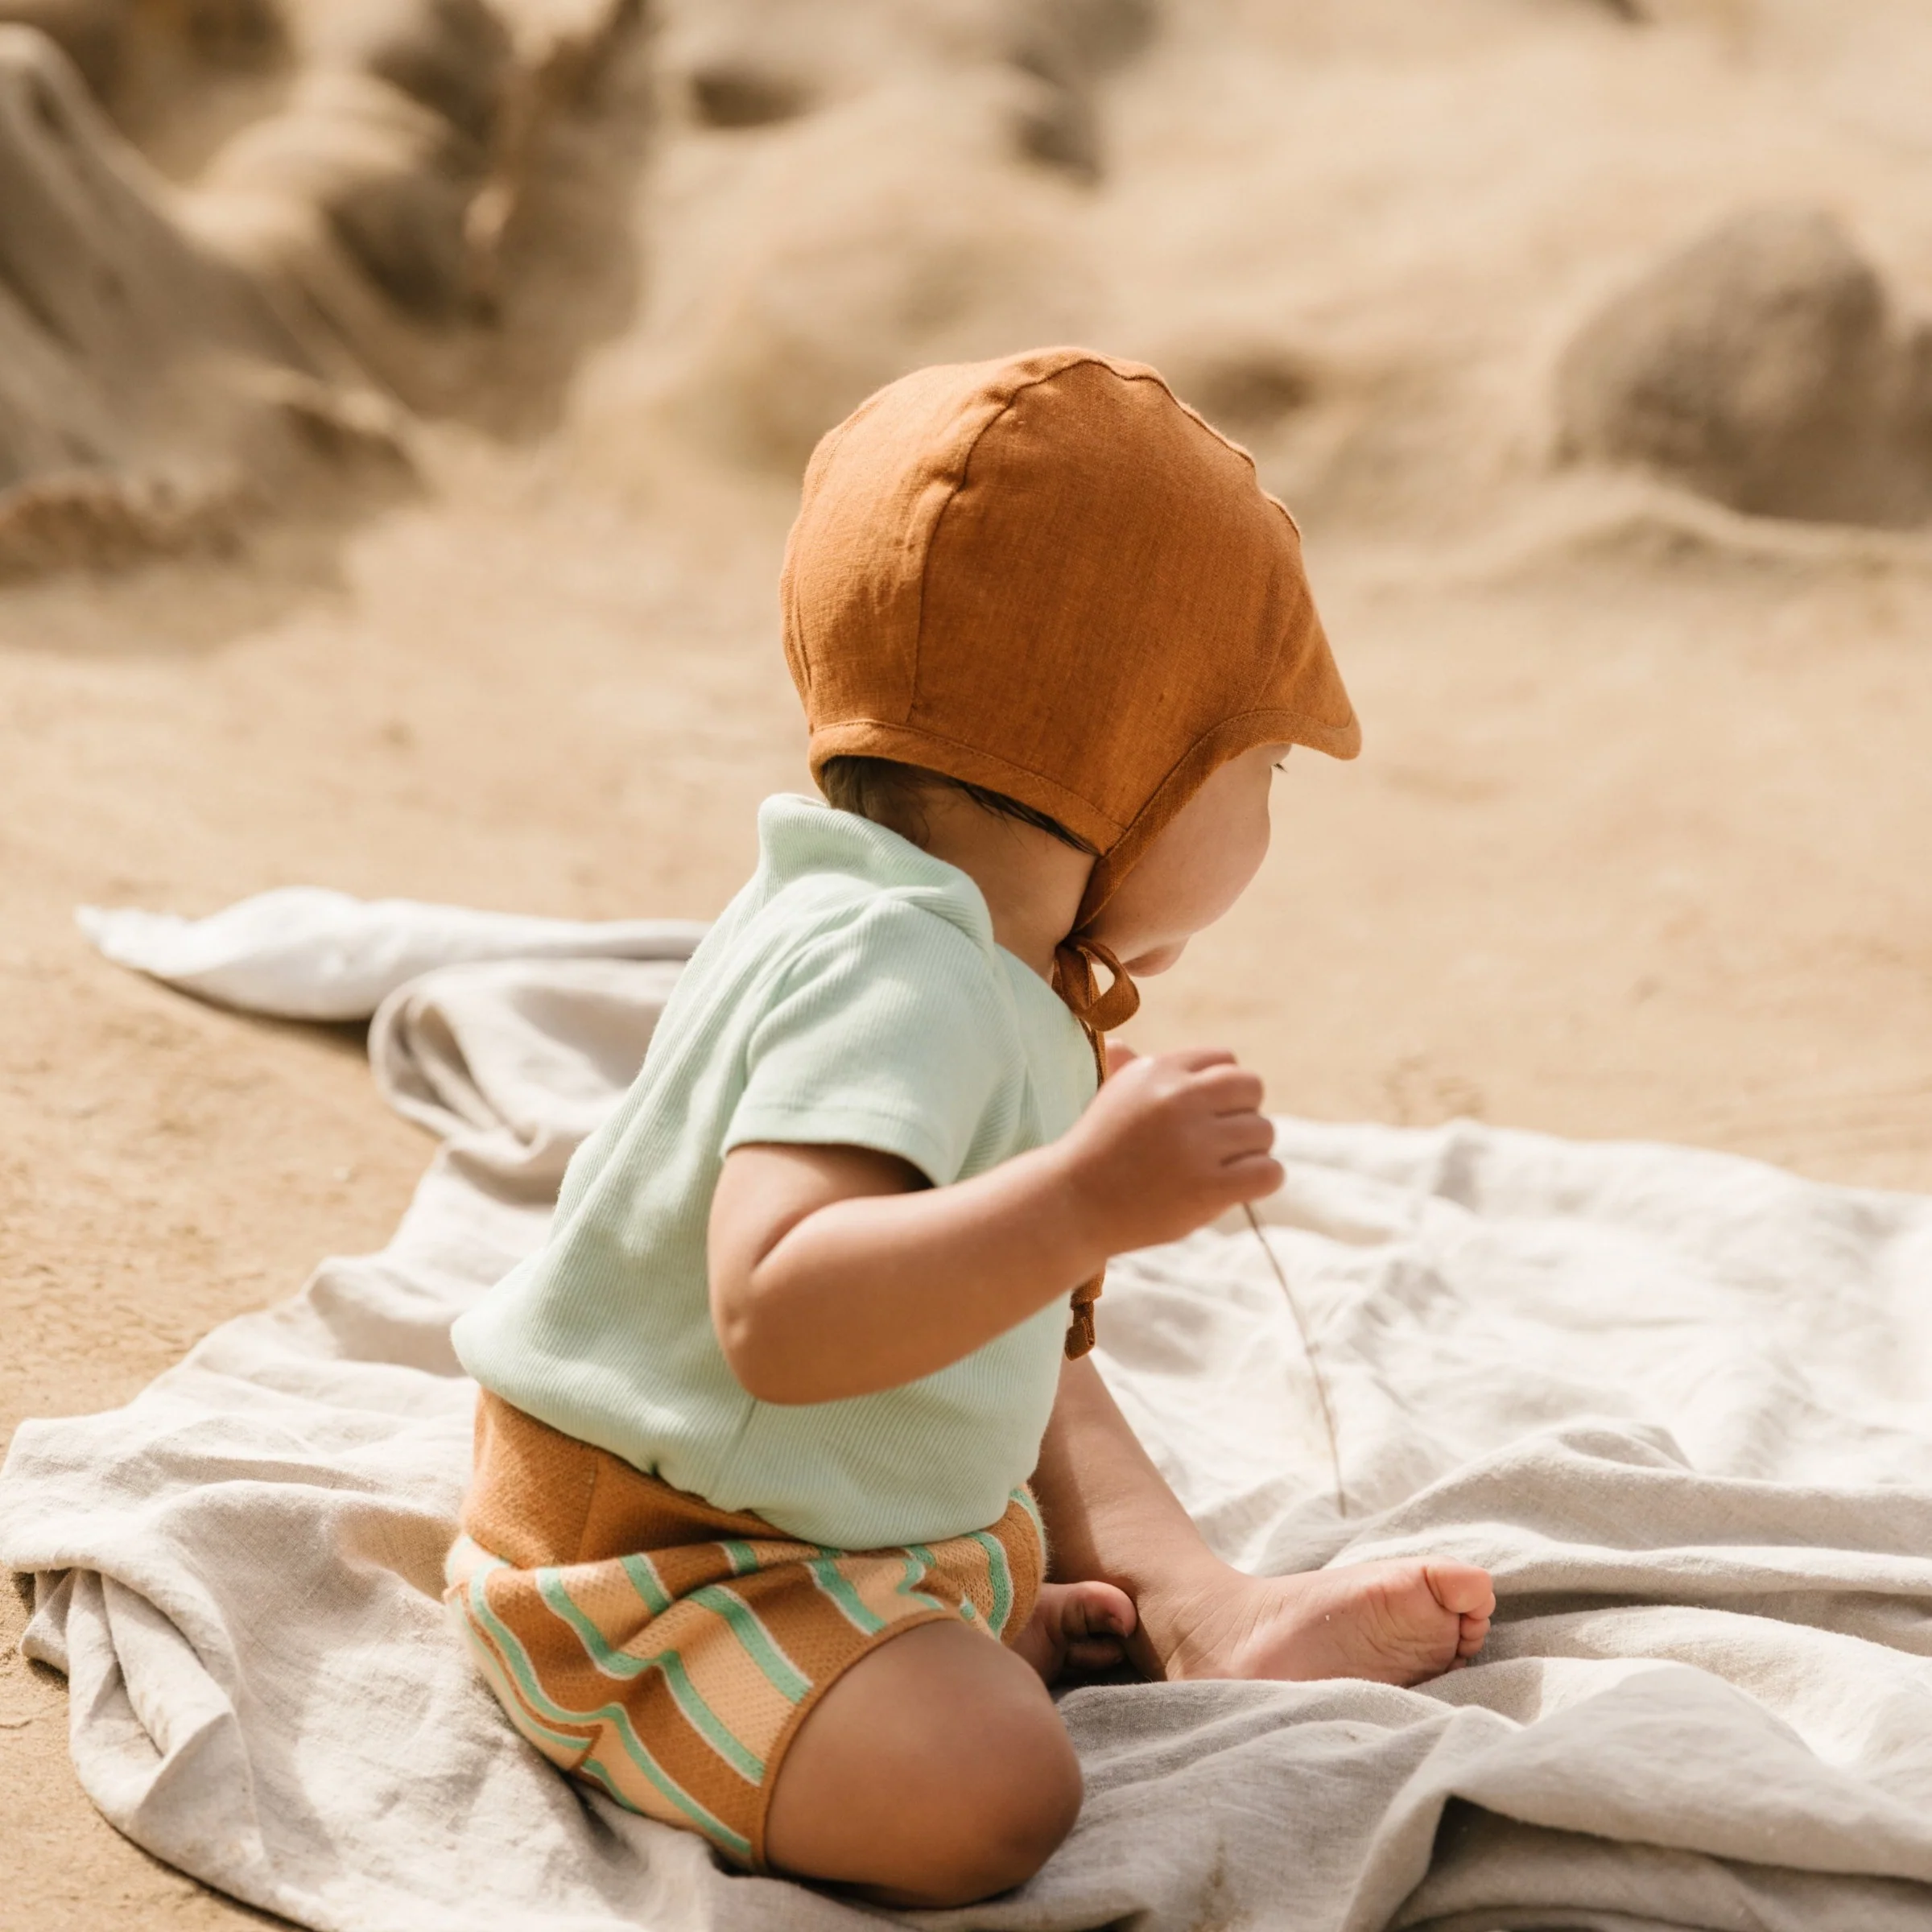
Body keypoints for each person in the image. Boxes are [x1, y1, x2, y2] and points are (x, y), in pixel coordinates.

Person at [444, 348, 1495, 1907]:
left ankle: (1192, 1603)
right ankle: (806, 1659)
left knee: (1029, 1351)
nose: (1270, 815)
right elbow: (779, 1310)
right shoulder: (898, 972)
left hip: (799, 1495)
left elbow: (1001, 1332)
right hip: (662, 1556)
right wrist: (1079, 1202)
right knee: (997, 1790)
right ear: (1124, 757)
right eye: (1260, 764)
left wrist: (1055, 1231)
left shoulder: (962, 948)